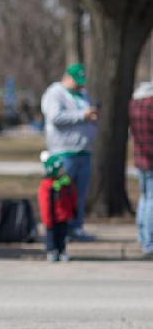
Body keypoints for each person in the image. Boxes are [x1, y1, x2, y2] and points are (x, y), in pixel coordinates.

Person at [40, 63, 98, 241]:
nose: (79, 85)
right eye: (76, 81)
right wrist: (82, 115)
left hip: (84, 151)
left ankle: (76, 227)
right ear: (67, 77)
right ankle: (61, 229)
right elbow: (55, 117)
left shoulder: (83, 94)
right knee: (62, 194)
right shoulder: (55, 93)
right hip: (64, 152)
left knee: (78, 195)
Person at [37, 152, 77, 262]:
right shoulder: (47, 185)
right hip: (52, 218)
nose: (63, 170)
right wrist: (47, 219)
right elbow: (44, 204)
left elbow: (72, 196)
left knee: (62, 235)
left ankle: (62, 250)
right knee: (51, 236)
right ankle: (51, 250)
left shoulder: (66, 182)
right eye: (60, 169)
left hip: (63, 216)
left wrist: (73, 210)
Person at [129, 79, 153, 258]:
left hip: (140, 157)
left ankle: (142, 235)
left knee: (144, 198)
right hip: (151, 158)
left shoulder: (134, 104)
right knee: (151, 200)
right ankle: (149, 241)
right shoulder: (150, 105)